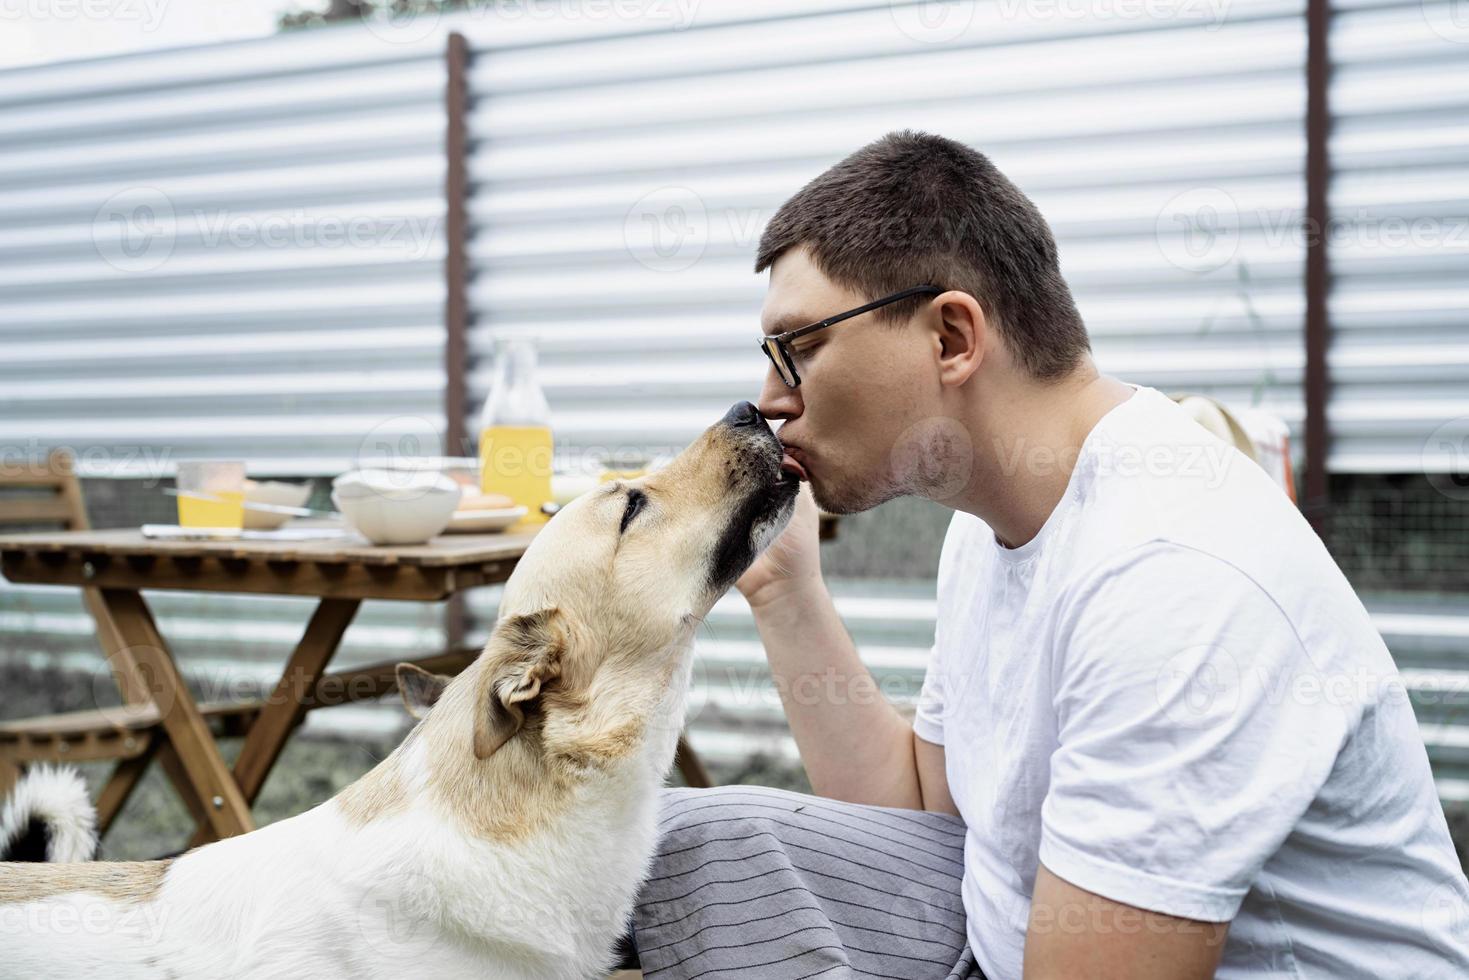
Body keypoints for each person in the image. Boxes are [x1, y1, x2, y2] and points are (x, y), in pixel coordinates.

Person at [626, 131, 1469, 979]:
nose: (771, 401)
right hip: (1012, 942)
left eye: (799, 348)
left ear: (951, 338)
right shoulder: (996, 519)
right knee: (689, 841)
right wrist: (783, 590)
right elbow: (923, 813)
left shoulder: (1170, 580)